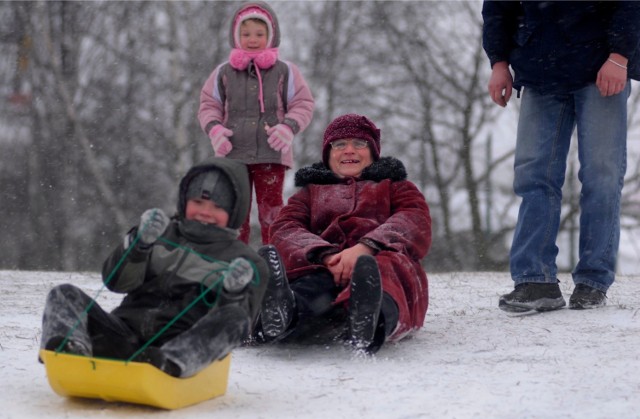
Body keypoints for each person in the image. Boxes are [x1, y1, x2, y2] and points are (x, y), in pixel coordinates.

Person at [39, 157, 268, 378]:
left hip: (183, 348)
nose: (205, 212)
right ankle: (69, 353)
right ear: (184, 201)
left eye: (217, 207)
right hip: (123, 336)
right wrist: (139, 244)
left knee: (235, 318)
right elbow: (115, 282)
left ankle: (166, 365)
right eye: (198, 202)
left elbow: (237, 326)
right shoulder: (161, 234)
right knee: (64, 293)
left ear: (234, 212)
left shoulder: (245, 262)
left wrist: (233, 293)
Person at [482, 1, 640, 312]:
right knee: (533, 175)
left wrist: (620, 56)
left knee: (601, 175)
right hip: (540, 68)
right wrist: (498, 62)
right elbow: (499, 8)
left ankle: (593, 280)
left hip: (601, 66)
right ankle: (535, 280)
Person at [254, 114, 431, 354]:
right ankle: (283, 313)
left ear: (373, 152)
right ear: (328, 154)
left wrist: (366, 247)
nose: (349, 150)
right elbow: (285, 227)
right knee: (312, 287)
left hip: (380, 263)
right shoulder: (309, 194)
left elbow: (413, 219)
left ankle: (371, 320)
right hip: (326, 266)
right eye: (339, 145)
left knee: (386, 270)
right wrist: (325, 255)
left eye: (359, 143)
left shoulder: (396, 186)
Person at [198, 1, 315, 245]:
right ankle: (234, 260)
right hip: (233, 154)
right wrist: (215, 129)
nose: (252, 39)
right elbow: (209, 105)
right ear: (236, 36)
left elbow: (303, 103)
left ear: (271, 35)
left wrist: (288, 127)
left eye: (259, 34)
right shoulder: (224, 72)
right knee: (234, 211)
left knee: (271, 212)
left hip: (271, 153)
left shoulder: (285, 71)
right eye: (246, 33)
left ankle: (273, 261)